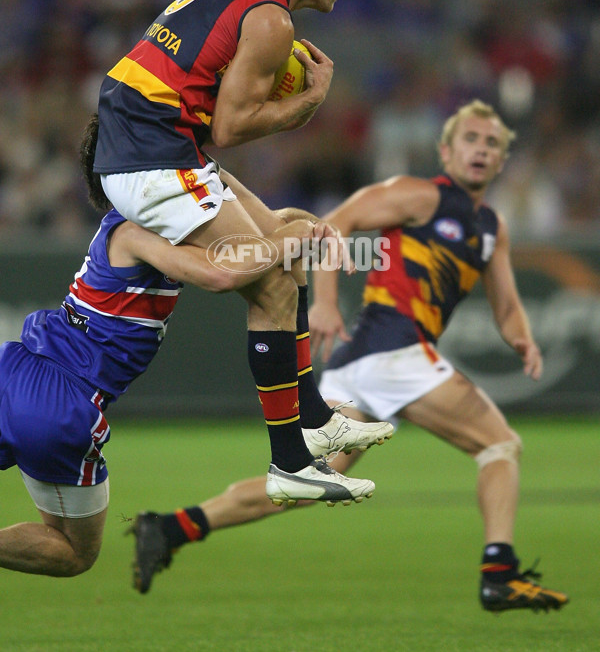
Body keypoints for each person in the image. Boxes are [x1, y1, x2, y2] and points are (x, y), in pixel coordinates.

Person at [130, 100, 569, 613]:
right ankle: (500, 573)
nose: (481, 150)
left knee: (303, 482)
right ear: (446, 151)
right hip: (393, 354)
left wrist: (522, 338)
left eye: (491, 144)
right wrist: (328, 302)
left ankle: (173, 527)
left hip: (369, 364)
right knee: (500, 447)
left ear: (500, 161)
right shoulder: (419, 194)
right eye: (470, 139)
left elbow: (508, 306)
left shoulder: (491, 226)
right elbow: (333, 224)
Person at [92, 0, 392, 503]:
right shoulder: (272, 19)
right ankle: (290, 463)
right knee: (277, 272)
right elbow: (229, 126)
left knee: (292, 236)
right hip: (152, 159)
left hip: (148, 147)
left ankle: (311, 417)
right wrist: (312, 101)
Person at [0, 115, 378, 579]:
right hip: (62, 402)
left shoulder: (161, 218)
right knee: (73, 552)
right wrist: (297, 237)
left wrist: (306, 229)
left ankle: (313, 420)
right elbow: (223, 272)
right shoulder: (134, 231)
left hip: (12, 369)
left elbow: (259, 236)